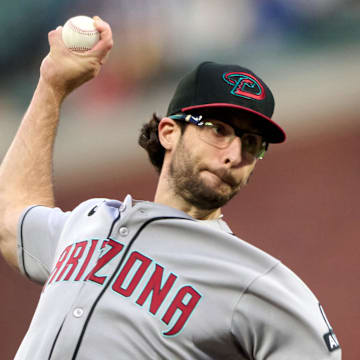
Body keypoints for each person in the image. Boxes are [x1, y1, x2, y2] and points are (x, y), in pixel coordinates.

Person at [0, 17, 341, 360]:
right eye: (218, 130)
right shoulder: (90, 220)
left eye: (252, 143)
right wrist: (52, 86)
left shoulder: (252, 278)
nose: (235, 155)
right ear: (168, 133)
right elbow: (8, 220)